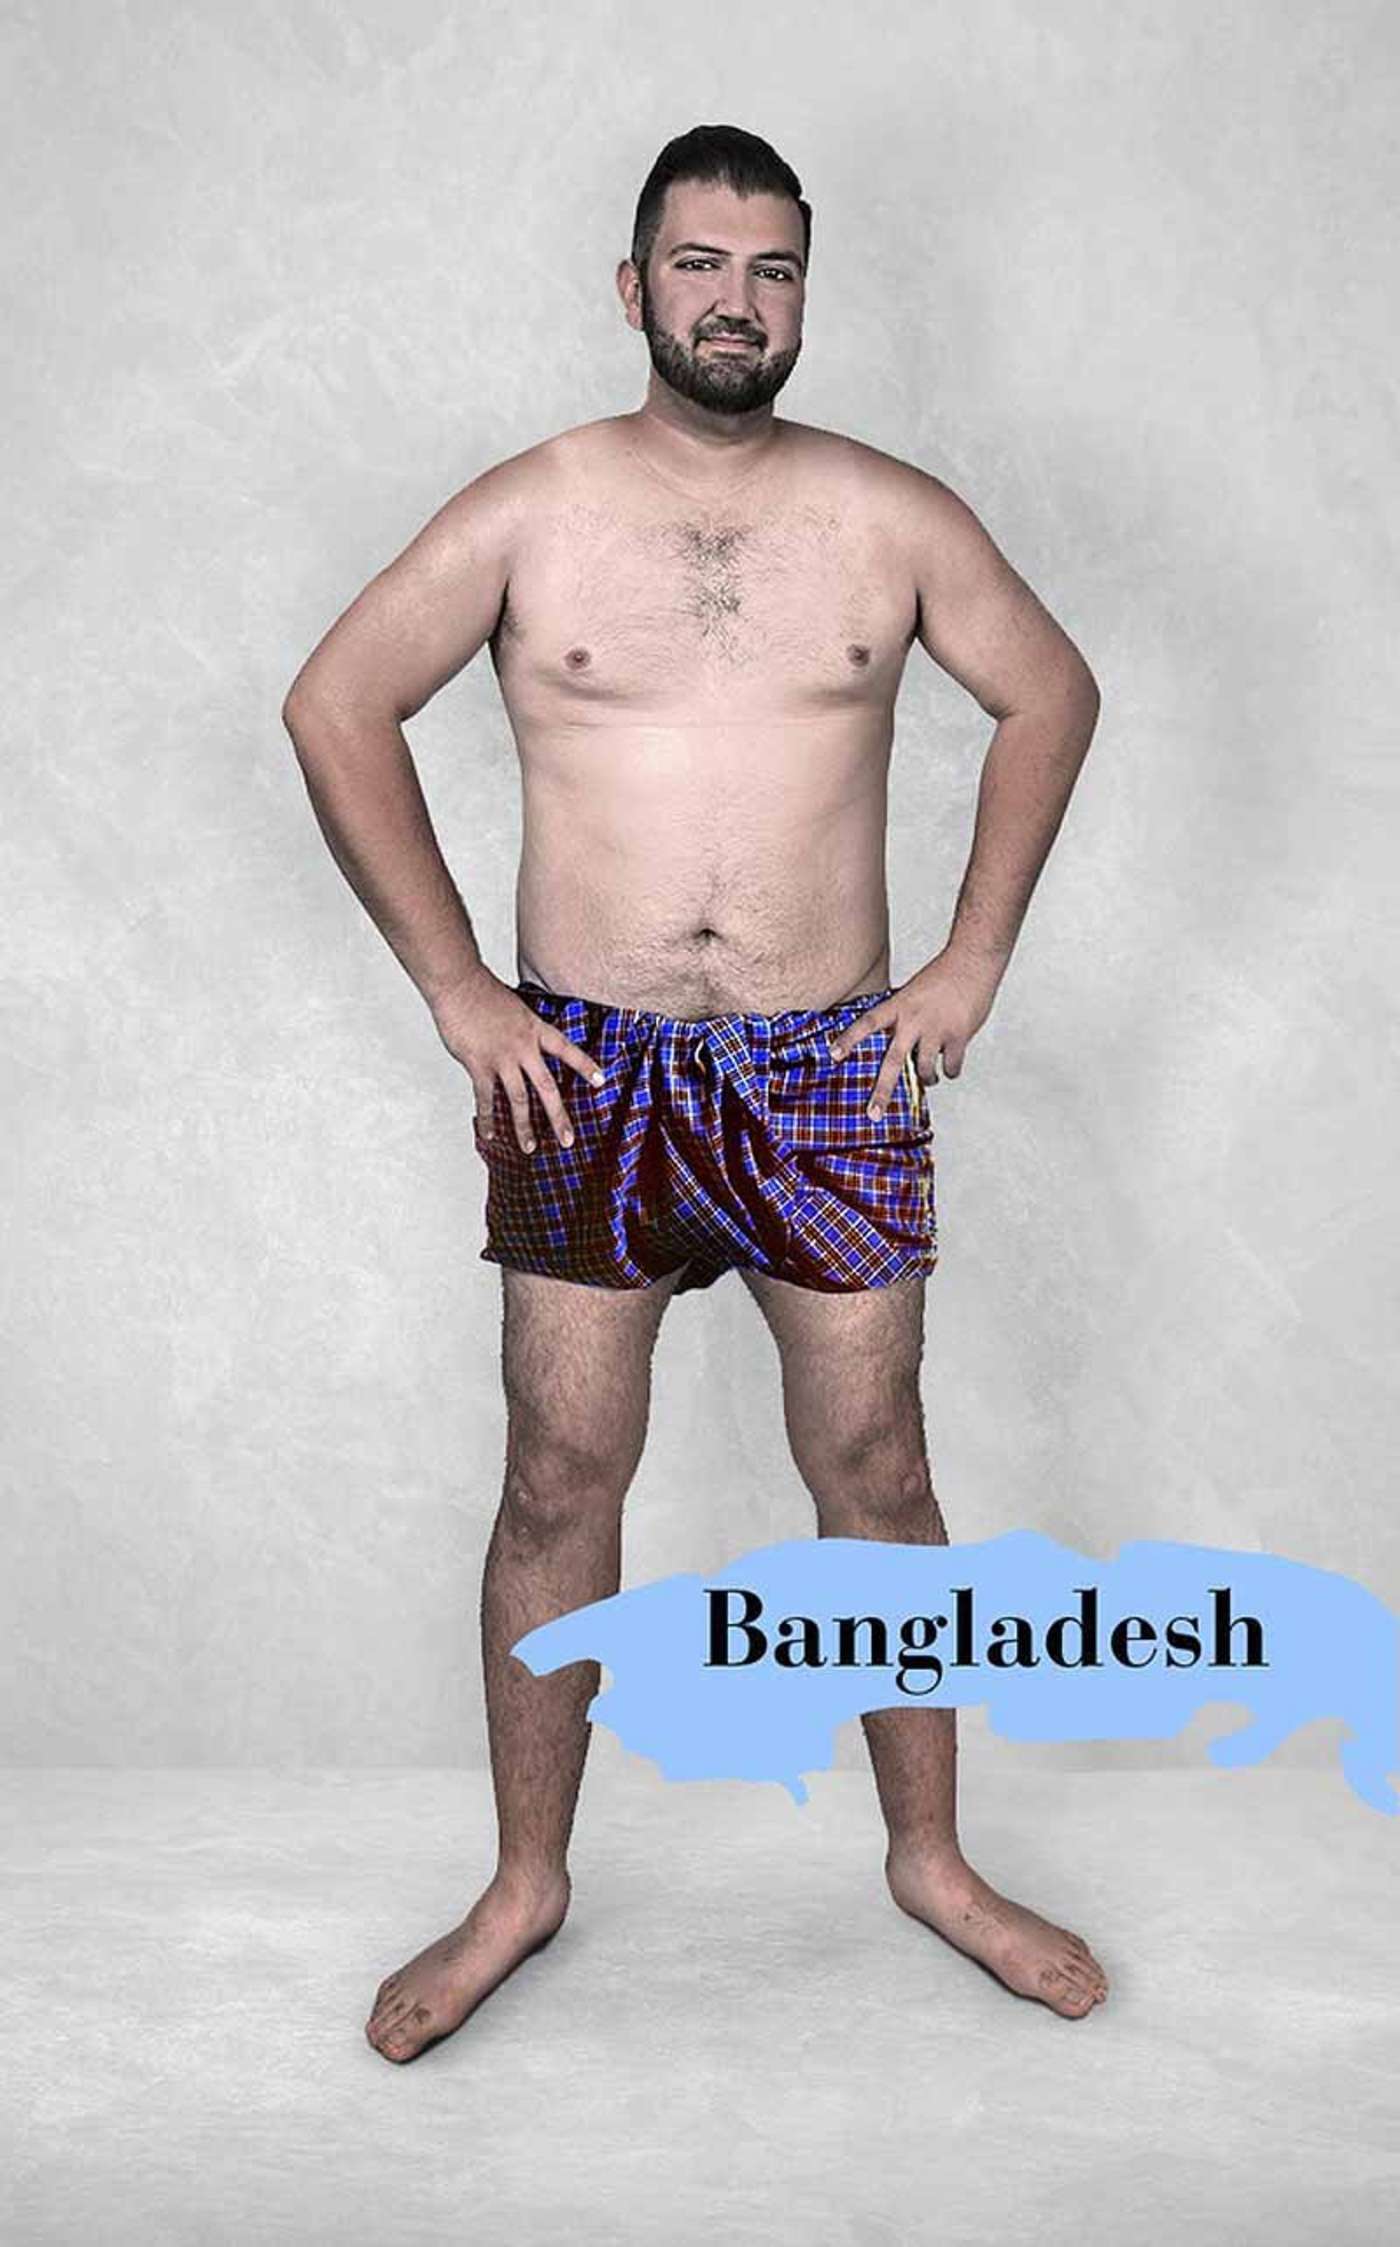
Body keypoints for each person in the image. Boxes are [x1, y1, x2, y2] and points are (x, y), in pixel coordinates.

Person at [282, 123, 1108, 2065]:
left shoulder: (891, 514)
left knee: (878, 1472)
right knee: (557, 1477)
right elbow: (334, 702)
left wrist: (973, 958)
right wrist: (458, 987)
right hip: (589, 1069)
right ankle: (523, 1885)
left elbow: (1052, 692)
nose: (737, 300)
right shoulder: (531, 509)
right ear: (633, 284)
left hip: (828, 1067)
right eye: (701, 263)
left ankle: (931, 1861)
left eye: (772, 268)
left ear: (803, 293)